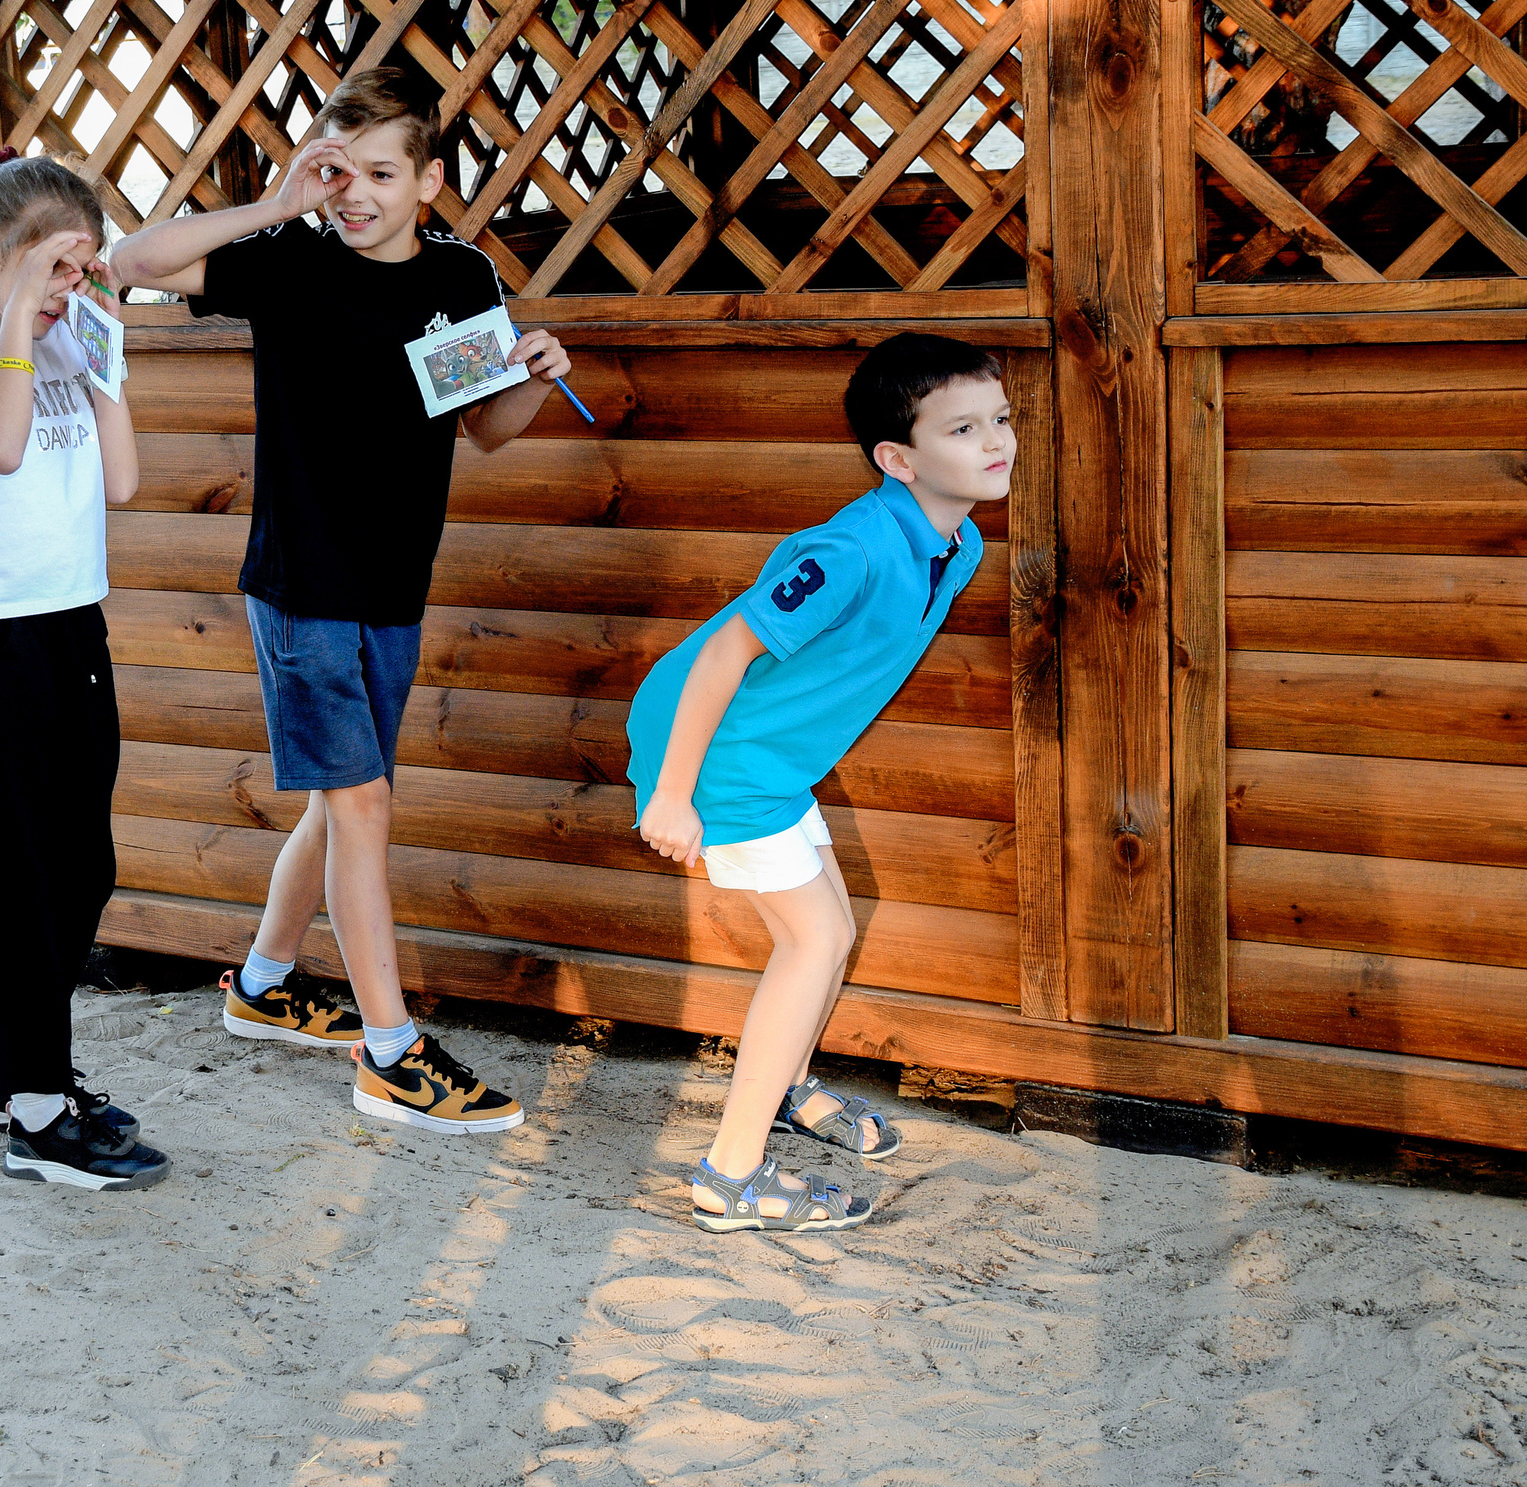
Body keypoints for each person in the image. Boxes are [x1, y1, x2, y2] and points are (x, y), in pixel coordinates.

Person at [109, 67, 573, 1136]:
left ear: (430, 180)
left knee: (339, 799)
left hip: (391, 589)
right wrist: (277, 201)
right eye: (335, 170)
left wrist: (534, 373)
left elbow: (488, 429)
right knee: (361, 805)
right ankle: (389, 1050)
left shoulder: (457, 280)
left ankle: (267, 985)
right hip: (305, 586)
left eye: (377, 172)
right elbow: (134, 261)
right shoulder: (287, 265)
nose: (353, 192)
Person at [625, 334, 1014, 1233]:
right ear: (899, 458)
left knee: (827, 935)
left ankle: (789, 1086)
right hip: (720, 759)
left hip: (771, 761)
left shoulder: (957, 549)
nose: (995, 441)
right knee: (817, 938)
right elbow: (726, 650)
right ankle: (730, 1176)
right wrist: (674, 794)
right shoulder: (846, 550)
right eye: (963, 427)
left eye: (999, 419)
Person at [0, 147, 169, 1191]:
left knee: (79, 867)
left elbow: (127, 481)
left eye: (82, 269)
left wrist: (101, 361)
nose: (71, 290)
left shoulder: (68, 348)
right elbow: (1, 450)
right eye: (54, 268)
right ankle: (34, 1106)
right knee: (11, 880)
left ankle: (34, 1076)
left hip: (72, 628)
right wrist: (18, 317)